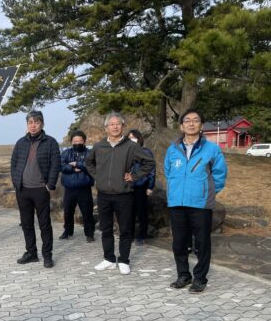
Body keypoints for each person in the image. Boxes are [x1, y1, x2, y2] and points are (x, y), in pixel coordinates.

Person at [165, 108, 227, 293]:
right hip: (177, 202)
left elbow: (219, 175)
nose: (191, 123)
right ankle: (183, 275)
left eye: (195, 120)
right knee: (179, 242)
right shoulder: (172, 149)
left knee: (202, 242)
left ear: (201, 125)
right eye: (187, 120)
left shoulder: (212, 149)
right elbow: (168, 172)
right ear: (181, 126)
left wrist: (206, 192)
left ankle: (200, 278)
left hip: (200, 203)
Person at [85, 113, 156, 275]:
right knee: (106, 228)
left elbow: (149, 162)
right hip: (103, 194)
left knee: (125, 229)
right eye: (111, 124)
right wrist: (98, 176)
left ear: (123, 127)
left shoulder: (131, 146)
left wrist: (135, 176)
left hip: (124, 194)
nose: (115, 126)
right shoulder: (99, 146)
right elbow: (88, 162)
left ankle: (124, 260)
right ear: (106, 128)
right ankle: (109, 259)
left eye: (118, 124)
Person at [10, 110, 61, 268]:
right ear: (27, 125)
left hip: (40, 189)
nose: (33, 126)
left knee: (44, 224)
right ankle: (31, 253)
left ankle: (47, 255)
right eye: (30, 123)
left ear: (42, 124)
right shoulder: (21, 142)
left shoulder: (51, 142)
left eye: (36, 122)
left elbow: (55, 165)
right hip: (22, 190)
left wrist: (49, 185)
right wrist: (16, 182)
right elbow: (14, 163)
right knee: (26, 224)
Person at [59, 130, 95, 242]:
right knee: (68, 211)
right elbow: (61, 166)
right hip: (69, 188)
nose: (77, 143)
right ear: (71, 142)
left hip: (84, 187)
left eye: (80, 141)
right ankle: (67, 231)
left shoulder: (89, 153)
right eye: (75, 141)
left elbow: (91, 166)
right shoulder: (66, 153)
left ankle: (89, 234)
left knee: (87, 212)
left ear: (84, 141)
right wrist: (73, 168)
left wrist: (77, 164)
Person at [127, 129, 156, 245]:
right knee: (129, 212)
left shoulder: (145, 151)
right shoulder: (126, 152)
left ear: (139, 139)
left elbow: (151, 170)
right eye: (129, 138)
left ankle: (142, 235)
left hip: (141, 185)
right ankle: (129, 235)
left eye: (133, 138)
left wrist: (150, 186)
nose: (131, 140)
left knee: (141, 212)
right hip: (128, 186)